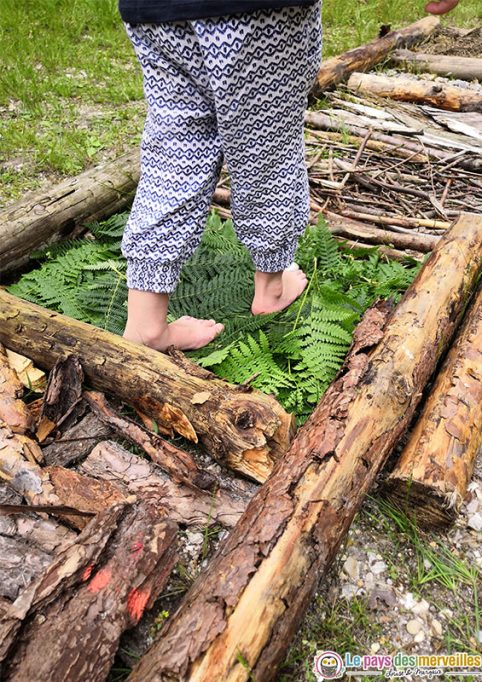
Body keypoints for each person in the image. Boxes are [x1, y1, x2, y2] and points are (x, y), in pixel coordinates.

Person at [119, 0, 461, 352]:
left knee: (176, 153)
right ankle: (271, 286)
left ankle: (146, 324)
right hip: (257, 13)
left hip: (153, 11)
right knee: (266, 149)